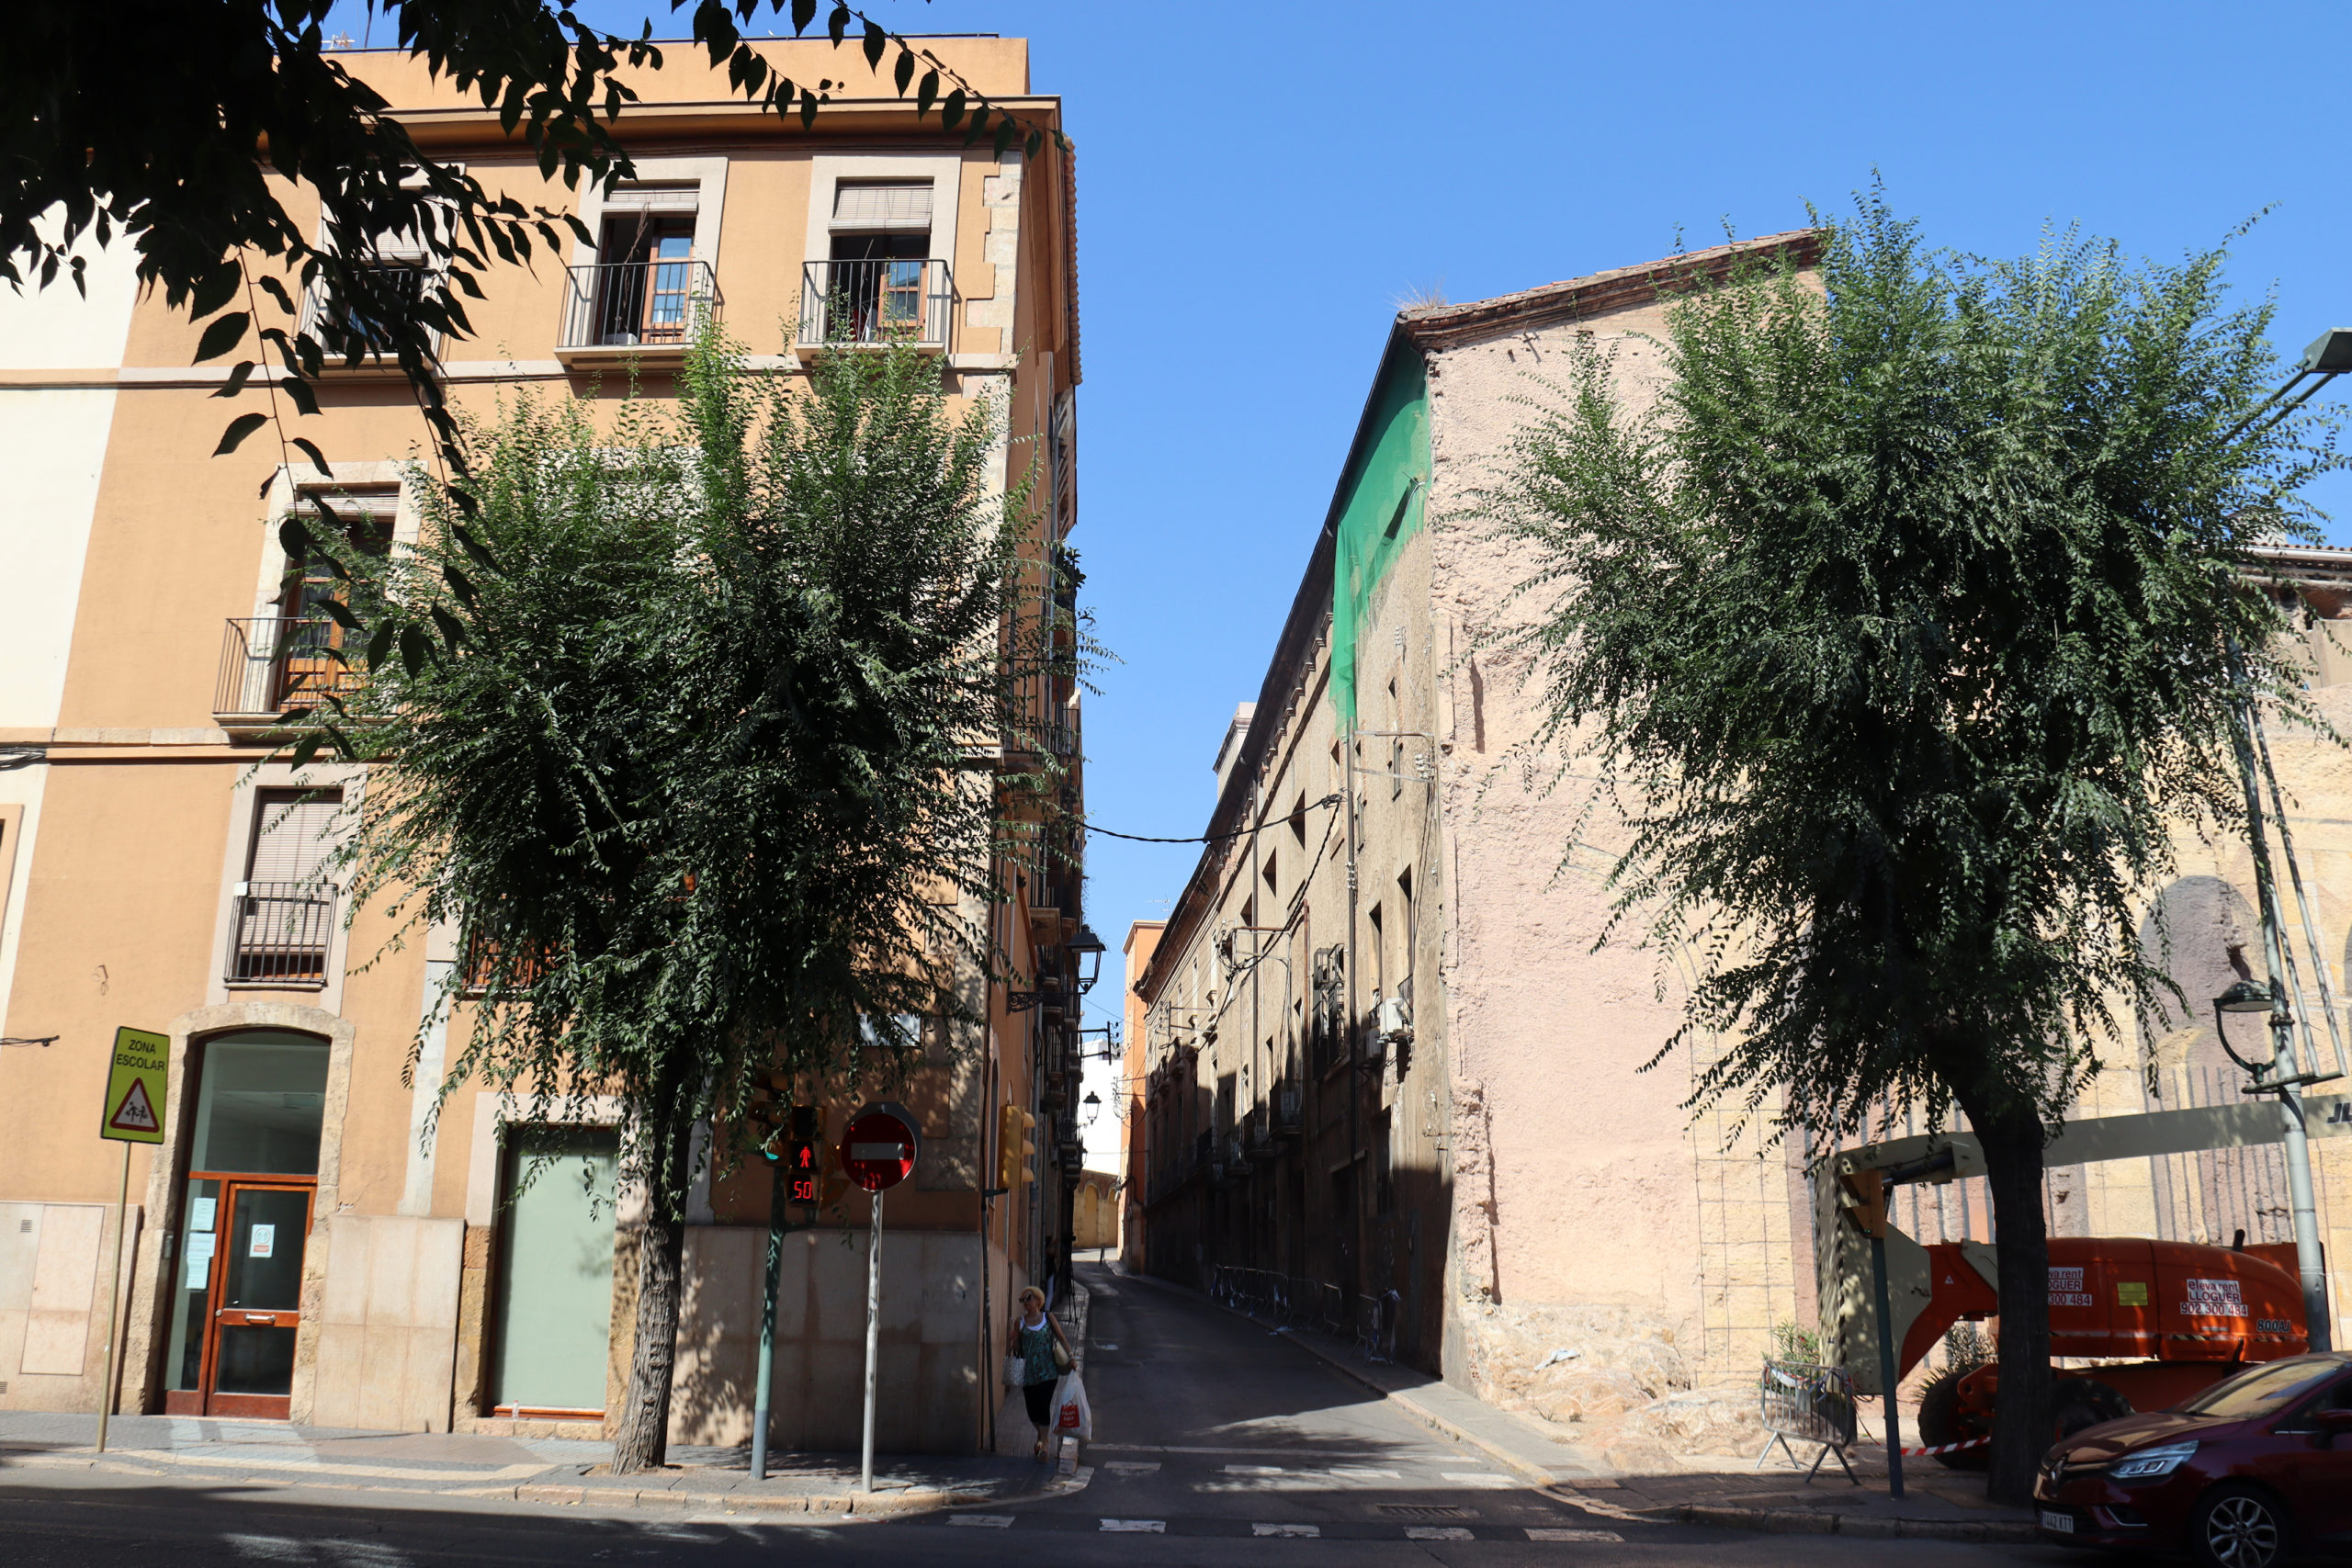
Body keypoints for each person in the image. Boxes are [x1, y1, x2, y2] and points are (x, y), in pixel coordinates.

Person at [1012, 1284, 1074, 1461]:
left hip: (1048, 1371)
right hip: (1028, 1372)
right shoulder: (1020, 1322)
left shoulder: (1048, 1318)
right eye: (1022, 1299)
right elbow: (1017, 1349)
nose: (1025, 1302)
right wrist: (1014, 1339)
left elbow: (1061, 1337)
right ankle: (1042, 1436)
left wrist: (1071, 1356)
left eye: (1028, 1298)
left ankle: (1043, 1444)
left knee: (1044, 1404)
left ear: (1038, 1300)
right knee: (1032, 1410)